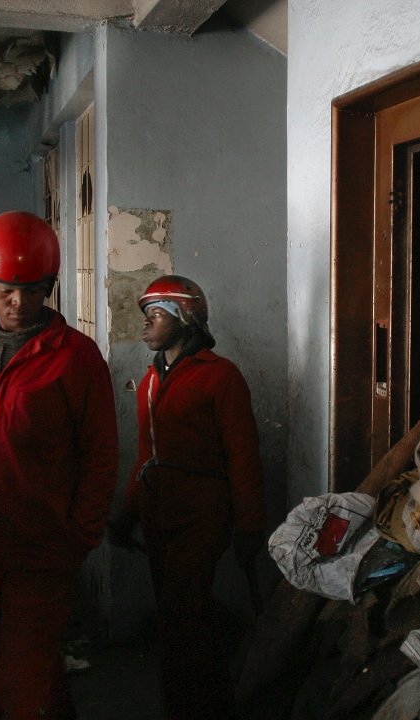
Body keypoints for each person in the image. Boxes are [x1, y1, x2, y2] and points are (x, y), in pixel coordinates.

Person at [0, 210, 119, 720]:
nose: (20, 303)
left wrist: (80, 534)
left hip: (45, 545)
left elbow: (101, 453)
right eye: (6, 289)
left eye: (34, 289)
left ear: (49, 286)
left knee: (18, 678)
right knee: (32, 666)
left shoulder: (76, 357)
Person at [121, 274, 267, 720]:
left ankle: (206, 704)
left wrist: (248, 525)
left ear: (186, 320)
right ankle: (182, 702)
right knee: (174, 616)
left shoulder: (220, 377)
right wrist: (124, 513)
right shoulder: (149, 383)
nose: (147, 325)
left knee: (186, 614)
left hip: (202, 515)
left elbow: (243, 455)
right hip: (157, 514)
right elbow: (147, 456)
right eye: (146, 316)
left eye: (158, 315)